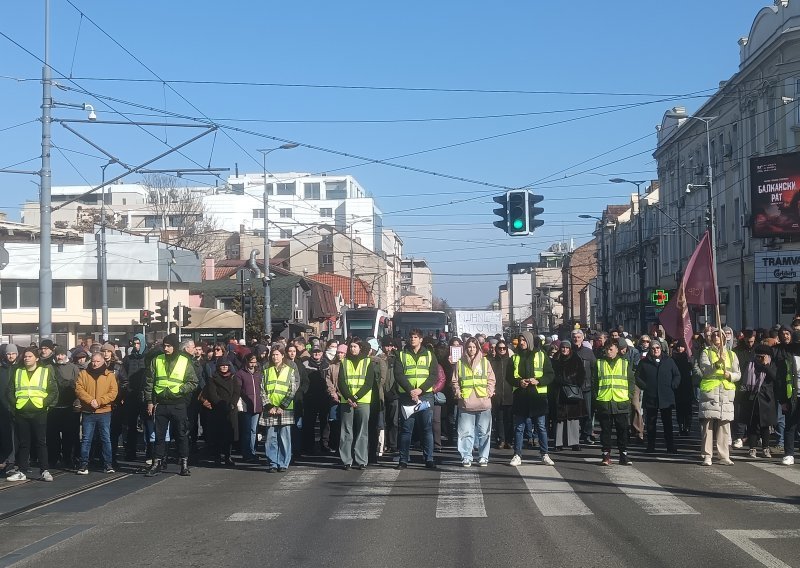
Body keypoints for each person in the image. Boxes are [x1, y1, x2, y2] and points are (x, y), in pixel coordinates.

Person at [143, 334, 198, 477]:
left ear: (175, 346)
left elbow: (193, 382)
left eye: (169, 346)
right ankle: (157, 463)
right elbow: (149, 382)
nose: (166, 348)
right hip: (161, 403)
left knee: (181, 434)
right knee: (159, 436)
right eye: (164, 346)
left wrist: (180, 390)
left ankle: (184, 464)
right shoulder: (157, 360)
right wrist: (149, 402)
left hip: (178, 404)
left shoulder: (184, 361)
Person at [5, 347, 58, 482]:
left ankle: (44, 470)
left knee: (41, 442)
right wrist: (15, 403)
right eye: (25, 356)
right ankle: (22, 470)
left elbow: (53, 391)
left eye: (29, 356)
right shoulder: (18, 371)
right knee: (24, 443)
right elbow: (10, 390)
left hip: (39, 410)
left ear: (36, 358)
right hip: (22, 411)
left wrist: (44, 403)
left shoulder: (44, 371)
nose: (26, 358)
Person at [394, 328, 438, 469]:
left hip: (425, 396)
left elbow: (433, 375)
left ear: (421, 339)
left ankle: (429, 459)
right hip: (407, 396)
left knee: (426, 428)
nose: (413, 339)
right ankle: (404, 459)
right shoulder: (401, 354)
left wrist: (421, 389)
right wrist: (411, 390)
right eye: (411, 337)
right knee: (407, 429)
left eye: (415, 337)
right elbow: (399, 374)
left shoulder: (430, 355)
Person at [509, 332, 555, 467]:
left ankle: (544, 454)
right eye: (520, 340)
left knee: (541, 427)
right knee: (519, 427)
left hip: (537, 397)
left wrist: (538, 381)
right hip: (521, 396)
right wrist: (519, 382)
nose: (521, 342)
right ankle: (517, 455)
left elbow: (550, 375)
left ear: (529, 341)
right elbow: (509, 377)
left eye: (524, 340)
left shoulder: (541, 355)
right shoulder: (515, 357)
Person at [698, 329, 741, 466]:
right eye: (714, 335)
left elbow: (738, 374)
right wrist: (717, 363)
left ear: (724, 338)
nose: (716, 337)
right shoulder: (706, 352)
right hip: (711, 392)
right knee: (708, 425)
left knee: (724, 425)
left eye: (719, 335)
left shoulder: (731, 354)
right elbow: (705, 371)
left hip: (726, 393)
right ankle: (707, 455)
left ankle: (724, 456)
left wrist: (731, 376)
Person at [452, 337, 495, 466]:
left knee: (484, 432)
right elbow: (455, 381)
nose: (472, 349)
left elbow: (491, 379)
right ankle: (466, 456)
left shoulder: (485, 362)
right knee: (465, 432)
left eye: (474, 347)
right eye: (469, 347)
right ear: (466, 348)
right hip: (466, 403)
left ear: (478, 348)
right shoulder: (460, 363)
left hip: (483, 402)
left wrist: (489, 391)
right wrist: (458, 393)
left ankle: (483, 456)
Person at [75, 352, 119, 474]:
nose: (95, 364)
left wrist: (99, 401)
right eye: (93, 361)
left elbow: (113, 392)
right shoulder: (83, 374)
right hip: (88, 411)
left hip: (104, 411)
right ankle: (83, 465)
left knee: (106, 438)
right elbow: (79, 389)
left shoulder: (109, 375)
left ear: (103, 362)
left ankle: (108, 465)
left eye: (97, 361)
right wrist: (90, 401)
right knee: (86, 439)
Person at [594, 339, 635, 466]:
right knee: (605, 431)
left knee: (622, 430)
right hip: (605, 401)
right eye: (607, 349)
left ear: (617, 350)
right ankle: (606, 455)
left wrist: (629, 396)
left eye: (611, 349)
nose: (609, 352)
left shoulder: (624, 363)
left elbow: (631, 381)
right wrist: (596, 397)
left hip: (621, 401)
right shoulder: (599, 363)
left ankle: (623, 455)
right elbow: (594, 381)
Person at [635, 341, 681, 453]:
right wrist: (645, 386)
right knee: (651, 423)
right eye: (653, 348)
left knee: (668, 423)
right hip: (651, 396)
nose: (656, 350)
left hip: (666, 396)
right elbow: (637, 377)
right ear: (650, 350)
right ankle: (650, 446)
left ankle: (670, 446)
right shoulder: (644, 362)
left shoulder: (669, 361)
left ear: (661, 349)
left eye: (658, 348)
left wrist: (673, 385)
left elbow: (677, 375)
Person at [338, 340, 376, 470]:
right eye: (351, 347)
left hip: (363, 400)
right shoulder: (344, 362)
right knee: (346, 430)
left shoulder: (368, 362)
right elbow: (341, 381)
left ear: (360, 348)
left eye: (355, 347)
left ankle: (361, 460)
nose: (352, 349)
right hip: (346, 401)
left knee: (362, 431)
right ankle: (346, 460)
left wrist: (355, 397)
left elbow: (368, 382)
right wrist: (349, 397)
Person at [262, 347, 298, 473]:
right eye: (273, 355)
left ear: (283, 356)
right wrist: (269, 406)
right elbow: (262, 390)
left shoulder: (290, 370)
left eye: (277, 355)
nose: (275, 357)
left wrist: (282, 406)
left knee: (284, 437)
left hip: (285, 408)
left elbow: (292, 390)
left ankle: (283, 463)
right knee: (271, 438)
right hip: (270, 409)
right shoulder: (266, 370)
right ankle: (272, 462)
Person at [739, 344, 777, 459]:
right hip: (752, 398)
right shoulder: (750, 364)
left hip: (766, 398)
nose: (759, 358)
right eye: (758, 356)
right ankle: (752, 448)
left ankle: (765, 448)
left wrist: (766, 365)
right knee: (752, 424)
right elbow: (744, 380)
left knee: (765, 425)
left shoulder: (772, 364)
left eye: (762, 356)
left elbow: (774, 377)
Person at [48, 346, 81, 469]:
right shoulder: (50, 368)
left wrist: (77, 404)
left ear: (66, 355)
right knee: (53, 436)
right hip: (53, 407)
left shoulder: (74, 368)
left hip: (69, 407)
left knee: (69, 436)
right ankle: (53, 458)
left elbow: (79, 387)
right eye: (57, 354)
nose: (59, 357)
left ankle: (68, 458)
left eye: (62, 354)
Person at [552, 341, 587, 451]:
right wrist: (560, 381)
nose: (565, 350)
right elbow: (551, 374)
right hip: (559, 392)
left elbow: (582, 374)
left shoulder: (576, 359)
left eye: (567, 347)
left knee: (573, 419)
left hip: (572, 391)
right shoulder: (555, 359)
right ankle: (558, 443)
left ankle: (574, 442)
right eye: (563, 347)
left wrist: (573, 382)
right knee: (559, 419)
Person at [205, 359, 241, 466]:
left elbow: (237, 392)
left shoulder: (233, 378)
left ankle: (227, 456)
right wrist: (220, 404)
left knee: (229, 434)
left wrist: (232, 403)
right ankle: (217, 456)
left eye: (226, 365)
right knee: (218, 434)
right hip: (218, 409)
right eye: (222, 365)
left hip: (231, 409)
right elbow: (212, 393)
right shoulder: (213, 378)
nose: (224, 367)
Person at [122, 334, 148, 461]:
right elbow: (124, 375)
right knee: (130, 425)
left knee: (147, 425)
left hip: (144, 395)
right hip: (131, 395)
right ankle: (130, 451)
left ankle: (149, 453)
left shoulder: (148, 358)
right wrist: (126, 388)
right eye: (134, 343)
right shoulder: (128, 359)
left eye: (138, 343)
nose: (136, 346)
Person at [571, 329, 596, 445]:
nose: (576, 339)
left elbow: (594, 368)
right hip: (572, 387)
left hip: (586, 387)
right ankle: (574, 436)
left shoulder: (588, 352)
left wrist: (592, 382)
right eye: (574, 337)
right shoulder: (568, 350)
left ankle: (586, 434)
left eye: (578, 337)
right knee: (573, 413)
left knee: (588, 413)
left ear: (582, 338)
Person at [236, 354, 263, 464]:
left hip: (257, 406)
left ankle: (252, 452)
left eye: (255, 361)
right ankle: (246, 453)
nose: (253, 364)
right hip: (246, 406)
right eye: (251, 362)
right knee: (246, 431)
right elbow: (238, 389)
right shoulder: (240, 374)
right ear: (246, 362)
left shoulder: (259, 373)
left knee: (253, 431)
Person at [489, 339, 513, 449]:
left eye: (504, 348)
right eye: (500, 348)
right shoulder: (492, 362)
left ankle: (509, 440)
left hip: (509, 393)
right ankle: (501, 440)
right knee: (499, 419)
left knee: (509, 419)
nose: (502, 350)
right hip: (497, 394)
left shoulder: (511, 360)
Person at [0, 344, 18, 475]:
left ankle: (15, 461)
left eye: (13, 353)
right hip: (3, 407)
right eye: (8, 354)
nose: (10, 356)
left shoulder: (20, 369)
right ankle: (7, 460)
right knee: (6, 435)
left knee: (17, 436)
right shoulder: (1, 370)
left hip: (17, 407)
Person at [671, 340, 695, 436]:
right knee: (679, 408)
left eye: (682, 347)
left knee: (688, 408)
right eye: (678, 347)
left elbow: (692, 369)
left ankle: (687, 426)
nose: (680, 349)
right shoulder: (673, 359)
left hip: (687, 385)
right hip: (678, 386)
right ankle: (681, 426)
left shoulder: (688, 358)